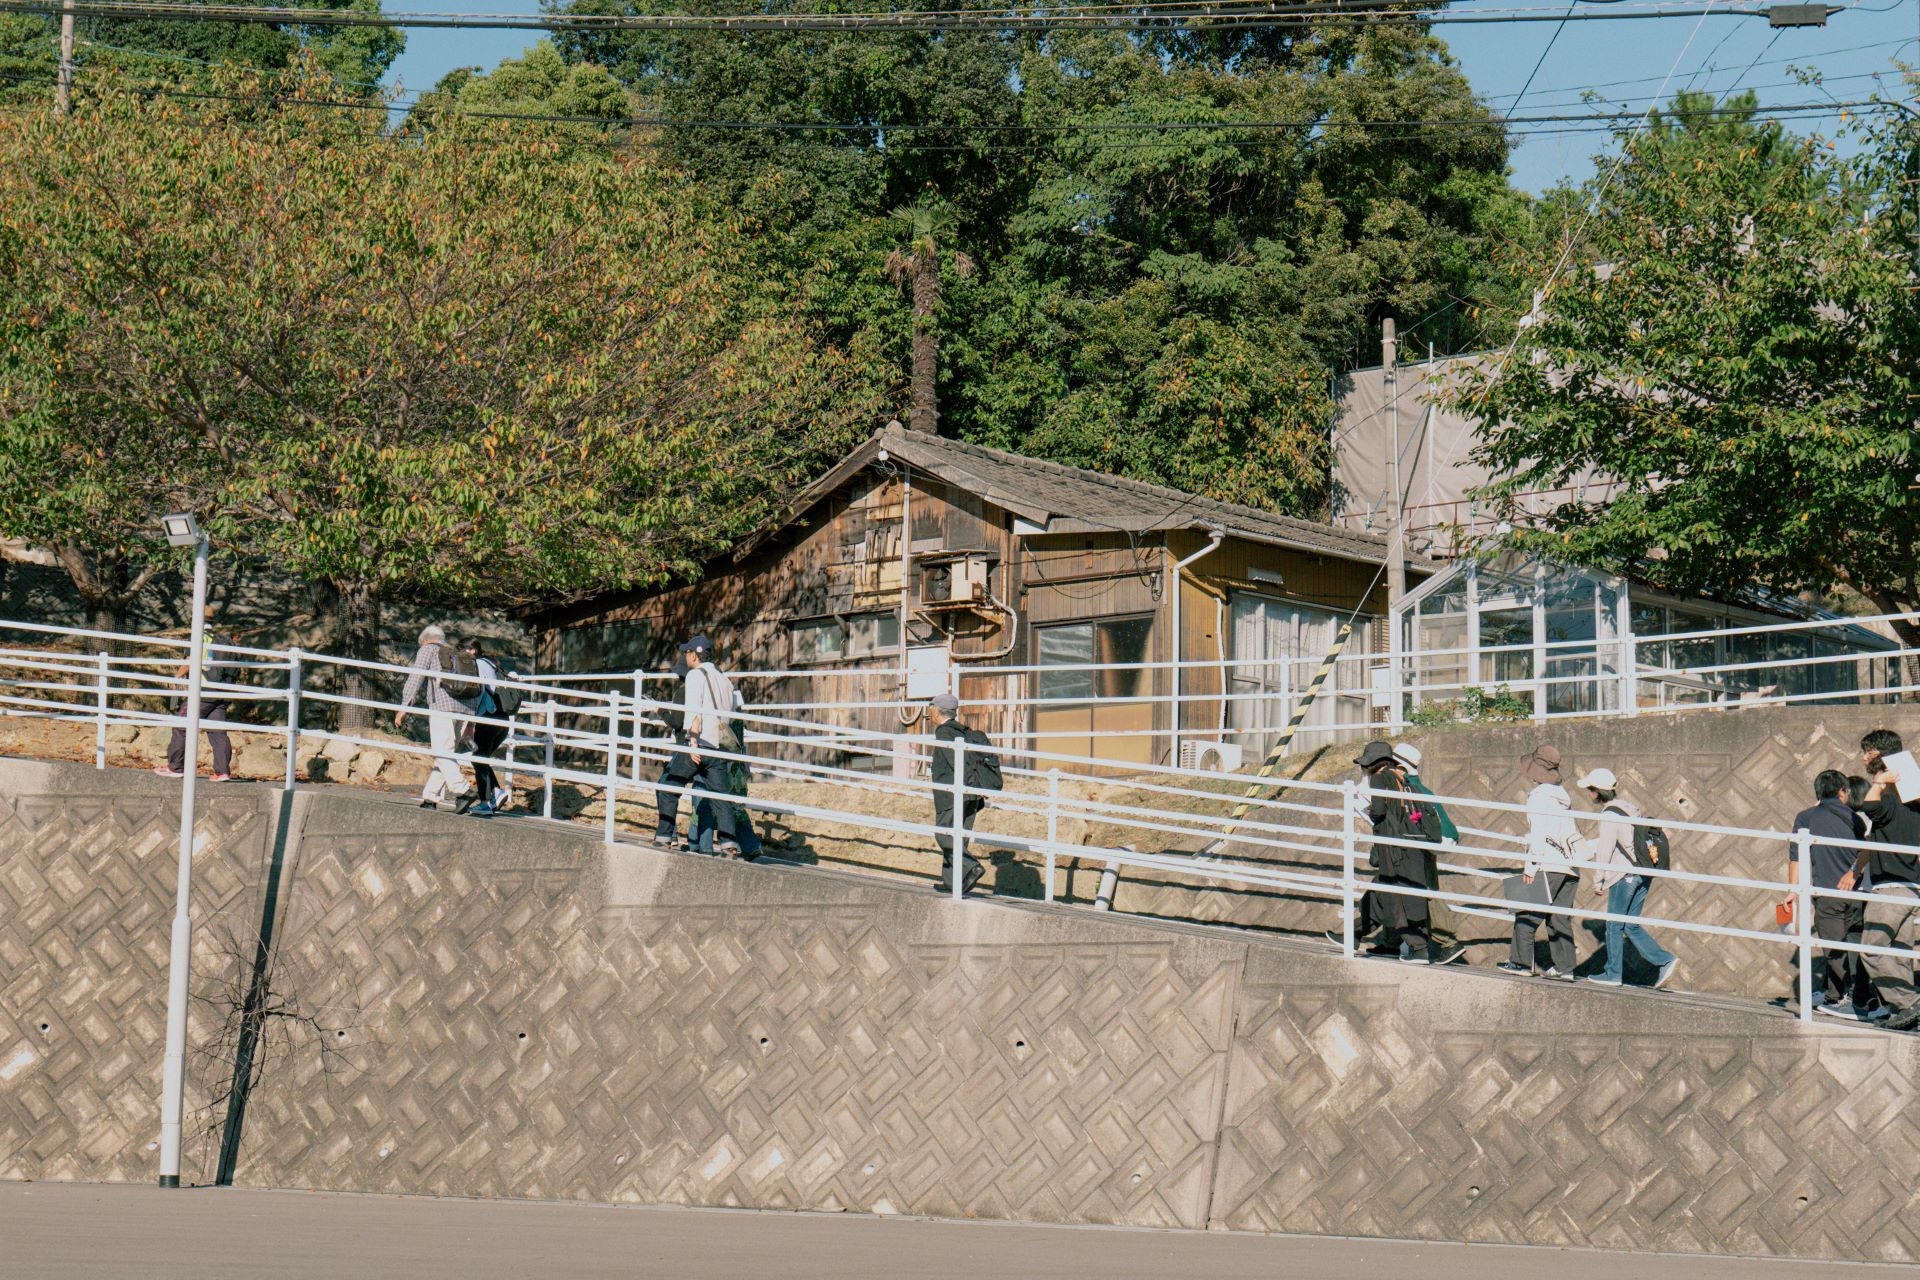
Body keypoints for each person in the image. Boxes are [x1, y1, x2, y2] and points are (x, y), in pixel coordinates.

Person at [1355, 741, 1457, 965]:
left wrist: (1373, 813)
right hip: (1419, 845)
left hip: (1400, 849)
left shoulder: (1383, 779)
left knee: (1415, 894)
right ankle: (1377, 939)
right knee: (1395, 894)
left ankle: (1441, 943)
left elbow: (1380, 812)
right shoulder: (1411, 784)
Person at [1580, 767, 1677, 990]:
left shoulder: (1610, 815)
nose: (1589, 794)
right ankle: (1665, 960)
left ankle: (1613, 974)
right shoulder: (1630, 809)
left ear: (1596, 792)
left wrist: (1599, 880)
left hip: (1624, 875)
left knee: (1614, 925)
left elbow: (1606, 849)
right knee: (1630, 926)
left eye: (1590, 789)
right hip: (1643, 873)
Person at [1788, 769, 1872, 1019]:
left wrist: (1792, 889)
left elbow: (1796, 857)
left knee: (1833, 949)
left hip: (1827, 892)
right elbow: (1864, 850)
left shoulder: (1805, 817)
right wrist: (1854, 874)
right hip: (1856, 892)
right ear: (1842, 792)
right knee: (1855, 944)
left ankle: (1838, 998)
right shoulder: (1855, 818)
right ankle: (1859, 997)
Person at [1850, 730, 1920, 1031]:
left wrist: (1878, 783)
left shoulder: (1888, 801)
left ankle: (1909, 1003)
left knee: (1872, 948)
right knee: (1900, 953)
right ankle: (1903, 1013)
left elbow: (1870, 807)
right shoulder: (1912, 802)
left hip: (1889, 886)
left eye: (1868, 752)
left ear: (1880, 754)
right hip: (1911, 887)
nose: (1864, 757)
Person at [1501, 745, 1582, 980]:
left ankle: (1521, 962)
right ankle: (1565, 968)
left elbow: (1540, 833)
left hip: (1547, 862)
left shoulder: (1538, 797)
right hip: (1570, 865)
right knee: (1559, 918)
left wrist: (1530, 866)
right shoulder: (1562, 796)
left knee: (1526, 914)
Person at [680, 635, 756, 857]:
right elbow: (732, 715)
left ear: (695, 654)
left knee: (675, 784)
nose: (685, 656)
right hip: (724, 745)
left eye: (687, 652)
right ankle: (727, 843)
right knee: (719, 794)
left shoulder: (695, 676)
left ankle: (673, 837)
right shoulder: (725, 680)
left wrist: (692, 742)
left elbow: (694, 711)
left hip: (704, 741)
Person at [395, 624, 476, 811]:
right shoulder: (456, 652)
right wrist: (471, 720)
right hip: (465, 707)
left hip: (442, 707)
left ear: (425, 639)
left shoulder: (428, 649)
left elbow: (416, 677)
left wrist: (404, 706)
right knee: (445, 754)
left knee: (442, 752)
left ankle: (463, 791)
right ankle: (430, 798)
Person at [155, 608, 235, 782]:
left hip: (203, 691)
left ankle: (175, 767)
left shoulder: (199, 637)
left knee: (181, 725)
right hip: (221, 692)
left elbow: (190, 662)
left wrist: (177, 676)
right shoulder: (224, 640)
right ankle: (222, 771)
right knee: (217, 732)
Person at [927, 693, 987, 896]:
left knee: (944, 833)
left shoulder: (944, 732)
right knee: (958, 837)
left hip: (953, 793)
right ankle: (952, 881)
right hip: (972, 792)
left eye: (931, 708)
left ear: (937, 710)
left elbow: (956, 763)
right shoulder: (964, 732)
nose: (930, 712)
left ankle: (971, 866)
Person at [458, 637, 512, 818]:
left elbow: (479, 694)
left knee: (479, 758)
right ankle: (497, 792)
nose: (461, 654)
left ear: (472, 650)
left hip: (488, 715)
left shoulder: (478, 665)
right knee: (480, 758)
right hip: (501, 717)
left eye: (463, 650)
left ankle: (485, 803)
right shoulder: (490, 663)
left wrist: (471, 722)